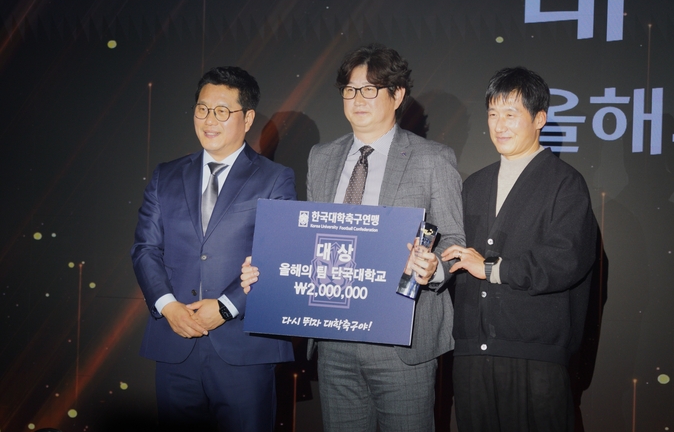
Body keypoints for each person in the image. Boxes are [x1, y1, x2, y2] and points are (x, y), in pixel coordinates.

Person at [242, 43, 464, 431]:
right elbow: (313, 238)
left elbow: (453, 242)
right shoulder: (322, 157)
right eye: (350, 89)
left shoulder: (433, 159)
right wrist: (267, 268)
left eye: (370, 89)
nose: (357, 99)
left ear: (397, 95)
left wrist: (433, 269)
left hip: (401, 342)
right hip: (335, 342)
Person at [131, 66, 295, 432]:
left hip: (244, 348)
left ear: (247, 118)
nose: (209, 119)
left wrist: (225, 307)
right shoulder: (165, 175)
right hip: (175, 341)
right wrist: (167, 306)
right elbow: (145, 249)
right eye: (202, 109)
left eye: (222, 111)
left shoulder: (275, 178)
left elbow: (277, 257)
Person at [442, 67, 597, 432]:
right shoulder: (474, 184)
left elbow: (566, 260)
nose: (499, 125)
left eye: (510, 114)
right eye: (493, 114)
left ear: (539, 118)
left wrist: (493, 269)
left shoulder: (566, 184)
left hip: (534, 356)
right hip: (471, 355)